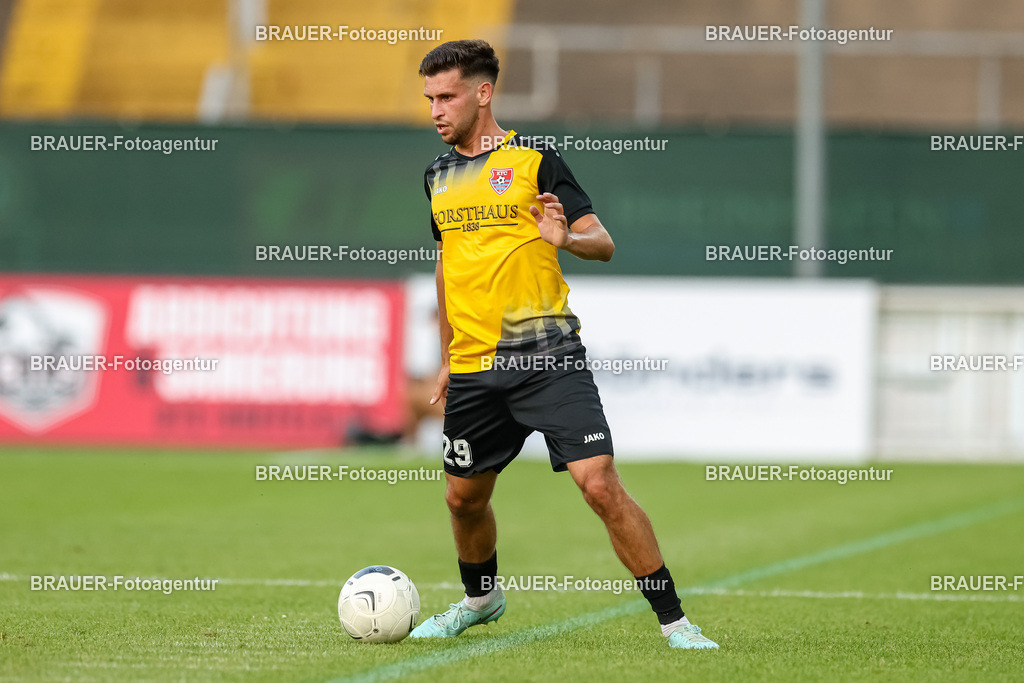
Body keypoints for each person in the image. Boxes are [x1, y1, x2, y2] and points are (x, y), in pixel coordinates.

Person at [409, 39, 717, 650]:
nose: (437, 110)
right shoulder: (437, 176)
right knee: (462, 498)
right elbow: (449, 267)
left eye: (447, 97)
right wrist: (447, 357)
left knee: (598, 482)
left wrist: (565, 240)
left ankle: (676, 622)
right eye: (430, 99)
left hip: (547, 356)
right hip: (474, 367)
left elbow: (601, 240)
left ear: (483, 92)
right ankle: (481, 598)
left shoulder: (534, 161)